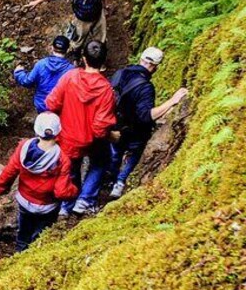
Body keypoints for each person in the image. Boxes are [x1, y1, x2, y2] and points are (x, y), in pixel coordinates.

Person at [45, 40, 117, 215]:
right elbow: (100, 128)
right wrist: (110, 135)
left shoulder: (70, 77)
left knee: (71, 170)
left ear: (84, 58)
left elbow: (51, 103)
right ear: (103, 62)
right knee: (101, 162)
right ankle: (85, 200)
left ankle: (67, 206)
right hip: (91, 140)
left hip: (67, 137)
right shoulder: (106, 89)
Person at [108, 47, 189, 198]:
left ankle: (110, 178)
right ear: (155, 67)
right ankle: (119, 182)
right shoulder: (145, 87)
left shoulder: (119, 74)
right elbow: (146, 116)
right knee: (135, 152)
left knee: (115, 152)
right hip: (134, 131)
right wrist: (172, 101)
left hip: (114, 125)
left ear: (141, 59)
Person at [0, 112, 78, 251]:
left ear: (36, 130)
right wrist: (74, 191)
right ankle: (36, 251)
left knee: (24, 231)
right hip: (48, 207)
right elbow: (61, 191)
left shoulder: (23, 147)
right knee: (41, 235)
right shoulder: (62, 159)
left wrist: (2, 188)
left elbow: (10, 170)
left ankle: (20, 252)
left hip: (25, 201)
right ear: (58, 131)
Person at [13, 35, 75, 113]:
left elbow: (27, 81)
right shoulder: (71, 70)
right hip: (59, 106)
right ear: (67, 50)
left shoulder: (41, 64)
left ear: (52, 47)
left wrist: (18, 73)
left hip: (41, 105)